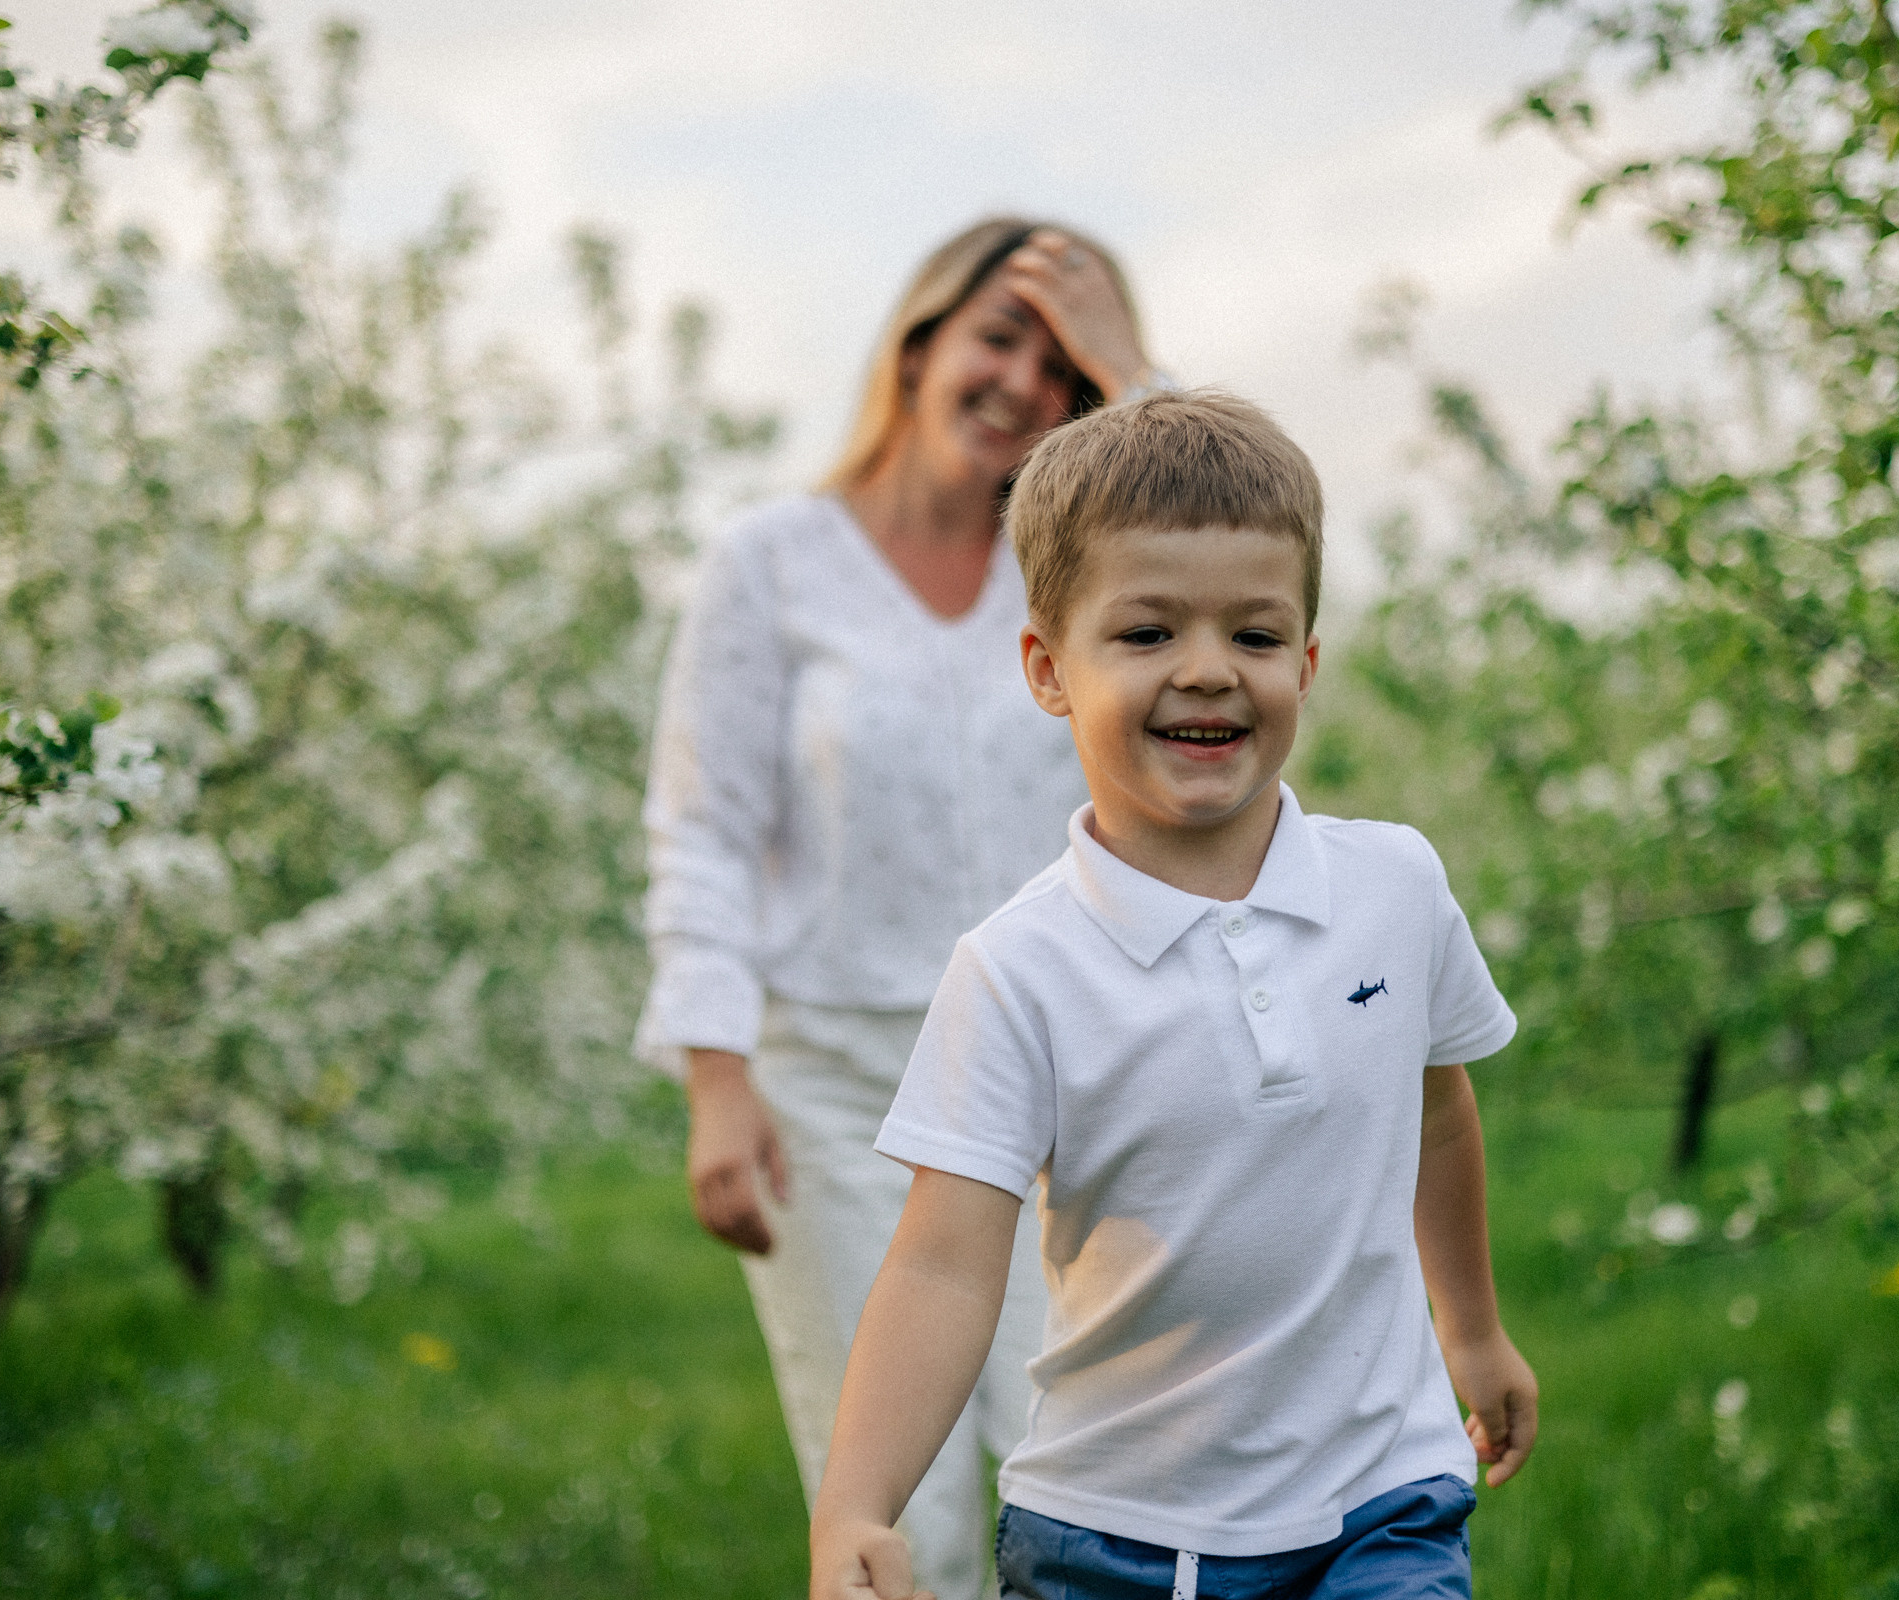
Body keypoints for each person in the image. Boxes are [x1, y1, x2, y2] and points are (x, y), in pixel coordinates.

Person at [807, 392, 1539, 1600]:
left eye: (1254, 637)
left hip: (1383, 1498)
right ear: (1049, 668)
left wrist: (1470, 1329)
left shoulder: (1395, 887)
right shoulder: (1019, 970)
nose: (1208, 671)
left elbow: (1439, 1111)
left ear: (1305, 661)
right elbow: (940, 1267)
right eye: (1146, 634)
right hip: (1117, 1533)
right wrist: (854, 1508)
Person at [636, 217, 1173, 1600]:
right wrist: (715, 1076)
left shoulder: (1084, 569)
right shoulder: (771, 563)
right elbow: (703, 827)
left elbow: (1224, 583)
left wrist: (1141, 375)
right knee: (900, 1511)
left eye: (1065, 369)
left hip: (1068, 1071)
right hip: (840, 1087)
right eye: (1001, 338)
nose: (1023, 386)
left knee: (1091, 1476)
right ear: (921, 342)